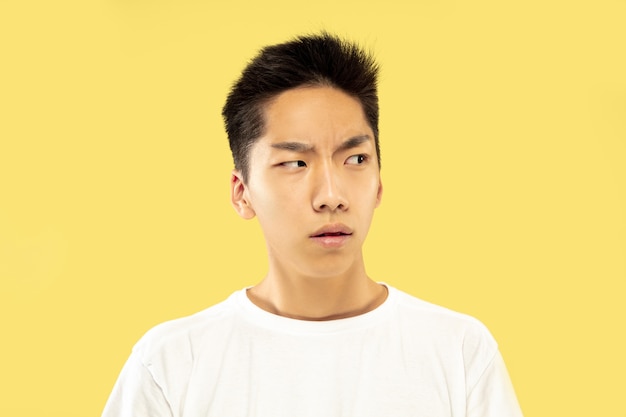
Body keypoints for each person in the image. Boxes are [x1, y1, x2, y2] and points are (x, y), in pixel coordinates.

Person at [102, 32, 523, 417]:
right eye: (294, 163)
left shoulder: (459, 351)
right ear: (241, 192)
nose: (331, 195)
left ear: (379, 182)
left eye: (355, 159)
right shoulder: (172, 364)